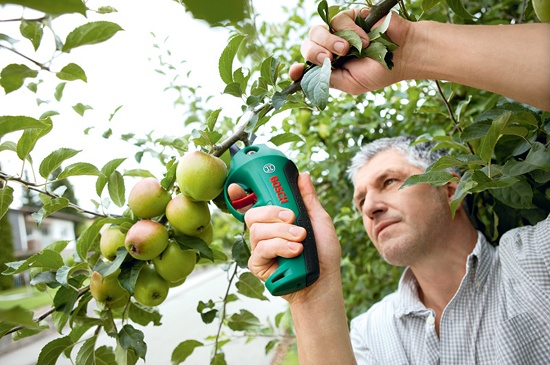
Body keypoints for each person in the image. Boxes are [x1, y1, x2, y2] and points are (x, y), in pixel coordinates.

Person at [228, 7, 550, 365]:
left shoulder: (535, 263)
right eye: (360, 200)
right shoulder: (370, 335)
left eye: (390, 181)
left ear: (448, 187)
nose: (369, 207)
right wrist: (312, 296)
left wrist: (413, 47)